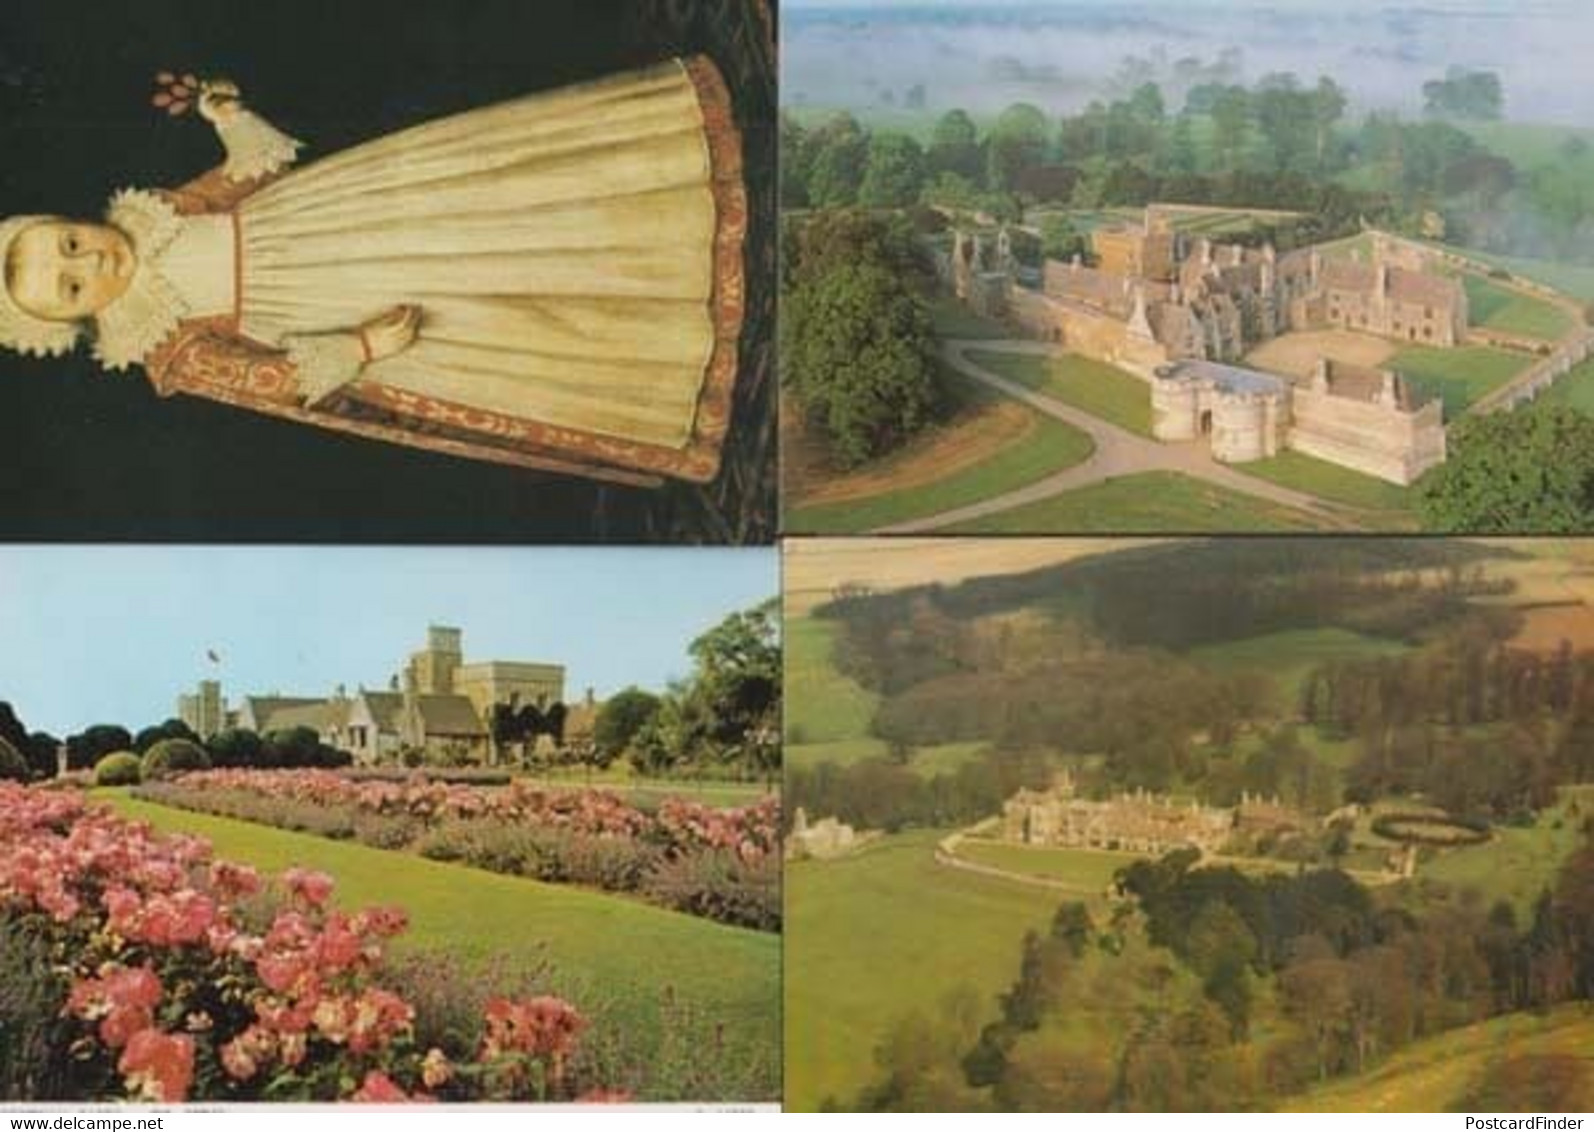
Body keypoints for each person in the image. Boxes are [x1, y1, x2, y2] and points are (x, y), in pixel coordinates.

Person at [0, 60, 746, 485]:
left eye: (68, 243)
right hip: (331, 302)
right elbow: (274, 380)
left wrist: (228, 119)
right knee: (494, 305)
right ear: (71, 322)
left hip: (328, 213)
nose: (91, 258)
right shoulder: (165, 348)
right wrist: (360, 349)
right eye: (73, 285)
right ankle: (678, 313)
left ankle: (674, 190)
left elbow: (240, 179)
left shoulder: (151, 212)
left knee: (490, 202)